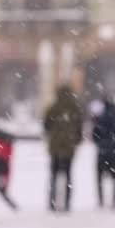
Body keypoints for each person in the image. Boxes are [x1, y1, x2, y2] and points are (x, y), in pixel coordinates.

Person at [42, 85, 83, 213]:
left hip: (55, 147)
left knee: (54, 176)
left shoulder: (54, 107)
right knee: (68, 176)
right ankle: (67, 203)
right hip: (69, 148)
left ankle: (52, 202)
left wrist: (54, 136)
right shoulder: (75, 108)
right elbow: (80, 127)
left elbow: (46, 125)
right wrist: (75, 140)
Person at [91, 95, 115, 210]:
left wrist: (100, 144)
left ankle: (101, 200)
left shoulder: (100, 116)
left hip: (102, 152)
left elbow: (95, 134)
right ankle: (114, 200)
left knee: (99, 177)